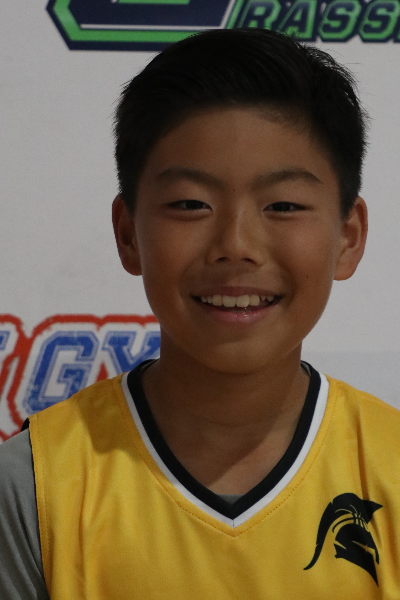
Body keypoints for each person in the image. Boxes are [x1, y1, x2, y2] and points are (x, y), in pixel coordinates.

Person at [0, 28, 399, 599]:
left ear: (349, 236)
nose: (236, 245)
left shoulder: (391, 467)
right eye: (191, 204)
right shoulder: (35, 484)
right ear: (127, 234)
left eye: (283, 205)